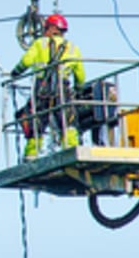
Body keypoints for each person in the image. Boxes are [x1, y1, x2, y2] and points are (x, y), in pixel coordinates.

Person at [10, 13, 85, 159]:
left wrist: (15, 73)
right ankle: (71, 150)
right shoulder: (72, 48)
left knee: (36, 120)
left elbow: (26, 61)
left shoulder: (40, 44)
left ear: (51, 28)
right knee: (67, 119)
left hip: (42, 88)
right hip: (62, 89)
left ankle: (31, 155)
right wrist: (79, 88)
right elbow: (80, 74)